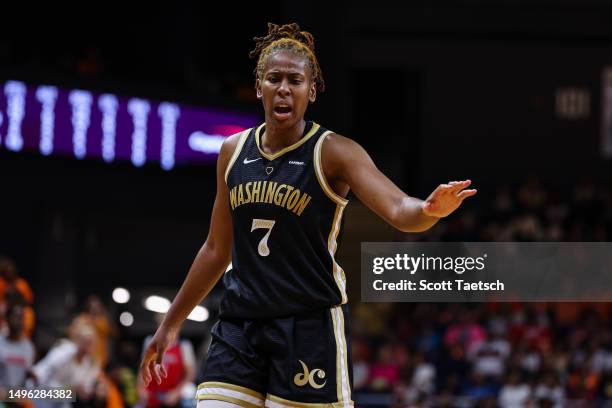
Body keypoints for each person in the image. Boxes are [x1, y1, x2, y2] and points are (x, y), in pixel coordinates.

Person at [140, 22, 477, 407]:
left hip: (306, 327)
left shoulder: (334, 151)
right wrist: (170, 325)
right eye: (274, 79)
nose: (283, 88)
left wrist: (430, 209)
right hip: (239, 326)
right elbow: (217, 249)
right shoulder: (233, 152)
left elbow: (400, 210)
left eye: (295, 81)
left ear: (311, 91)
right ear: (258, 87)